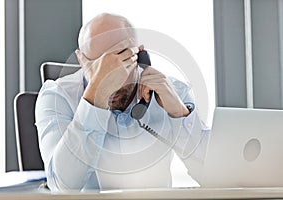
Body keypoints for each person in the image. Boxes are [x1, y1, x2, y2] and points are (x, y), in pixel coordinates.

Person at [35, 13, 209, 191]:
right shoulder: (57, 96)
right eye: (97, 66)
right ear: (81, 60)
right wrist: (96, 96)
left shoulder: (172, 91)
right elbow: (62, 187)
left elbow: (215, 176)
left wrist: (180, 114)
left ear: (139, 55)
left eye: (120, 63)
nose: (109, 78)